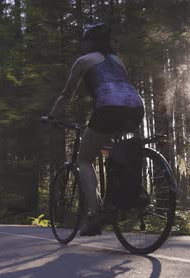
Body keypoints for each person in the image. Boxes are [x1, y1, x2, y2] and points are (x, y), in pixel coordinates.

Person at [46, 22, 145, 236]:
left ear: (89, 42)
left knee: (84, 159)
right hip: (136, 107)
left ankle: (96, 212)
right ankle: (125, 196)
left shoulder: (83, 61)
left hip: (109, 109)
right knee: (111, 150)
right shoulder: (118, 60)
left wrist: (52, 116)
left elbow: (66, 94)